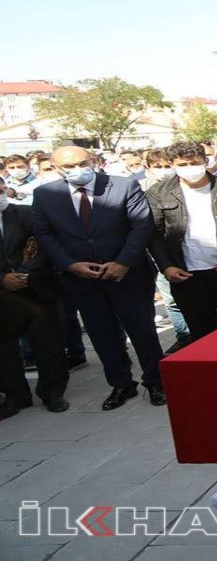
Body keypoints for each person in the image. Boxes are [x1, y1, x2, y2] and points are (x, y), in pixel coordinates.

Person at [31, 146, 166, 410]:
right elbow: (44, 234)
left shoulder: (123, 186)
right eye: (68, 167)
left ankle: (155, 382)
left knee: (143, 331)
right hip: (82, 278)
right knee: (102, 334)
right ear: (56, 168)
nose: (77, 170)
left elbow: (141, 225)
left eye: (82, 163)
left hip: (128, 275)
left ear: (93, 161)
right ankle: (121, 384)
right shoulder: (46, 194)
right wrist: (70, 265)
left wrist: (123, 262)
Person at [146, 142, 217, 342]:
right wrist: (166, 266)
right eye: (183, 164)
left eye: (194, 162)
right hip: (186, 275)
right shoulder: (158, 193)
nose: (190, 168)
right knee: (202, 335)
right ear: (173, 164)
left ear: (206, 161)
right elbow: (154, 234)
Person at [0, 193, 70, 417]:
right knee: (5, 348)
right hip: (2, 293)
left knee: (47, 342)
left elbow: (46, 244)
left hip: (35, 288)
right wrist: (2, 278)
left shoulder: (26, 213)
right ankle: (16, 394)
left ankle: (52, 392)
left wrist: (24, 274)